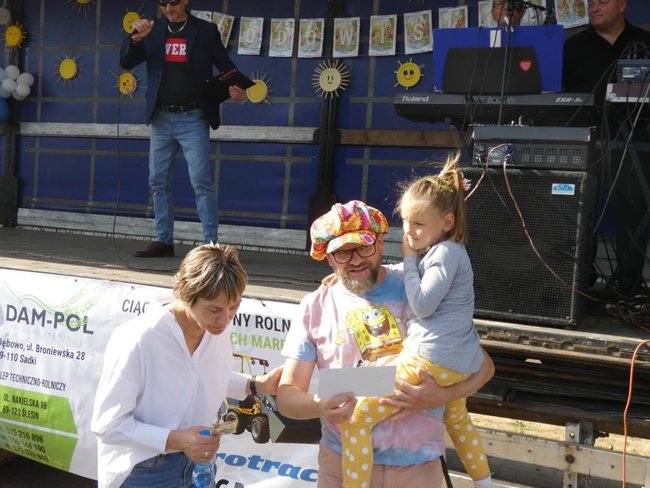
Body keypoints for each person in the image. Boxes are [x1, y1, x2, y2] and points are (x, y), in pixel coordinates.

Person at [277, 200, 495, 488]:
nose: (355, 260)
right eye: (342, 253)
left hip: (417, 468)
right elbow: (287, 397)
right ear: (328, 258)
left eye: (364, 248)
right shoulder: (315, 306)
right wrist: (320, 405)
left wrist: (444, 395)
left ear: (380, 243)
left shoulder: (418, 288)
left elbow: (484, 366)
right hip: (341, 467)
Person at [336, 156, 492, 488]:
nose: (409, 231)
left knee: (355, 420)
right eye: (406, 221)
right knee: (458, 419)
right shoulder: (443, 253)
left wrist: (408, 259)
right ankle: (484, 483)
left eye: (419, 224)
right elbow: (414, 277)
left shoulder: (443, 254)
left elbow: (421, 303)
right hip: (452, 361)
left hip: (430, 360)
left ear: (447, 222)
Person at [91, 243, 281, 488]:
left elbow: (207, 377)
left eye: (234, 307)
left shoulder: (215, 326)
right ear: (185, 293)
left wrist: (256, 384)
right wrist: (177, 439)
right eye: (214, 309)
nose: (225, 319)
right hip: (145, 471)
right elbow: (107, 425)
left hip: (200, 465)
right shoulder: (138, 339)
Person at [121, 0, 247, 258]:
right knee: (157, 180)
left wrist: (239, 89)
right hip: (161, 118)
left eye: (174, 2)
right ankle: (163, 240)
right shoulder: (152, 30)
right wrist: (135, 39)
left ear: (186, 1)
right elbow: (126, 61)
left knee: (200, 180)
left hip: (193, 117)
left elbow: (226, 66)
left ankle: (211, 245)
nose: (169, 8)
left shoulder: (205, 30)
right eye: (163, 3)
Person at [563, 0, 650, 299]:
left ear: (622, 4)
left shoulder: (643, 42)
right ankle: (582, 284)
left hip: (634, 144)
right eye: (591, 3)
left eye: (602, 1)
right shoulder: (573, 47)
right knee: (580, 211)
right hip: (587, 144)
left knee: (635, 213)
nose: (594, 7)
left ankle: (628, 287)